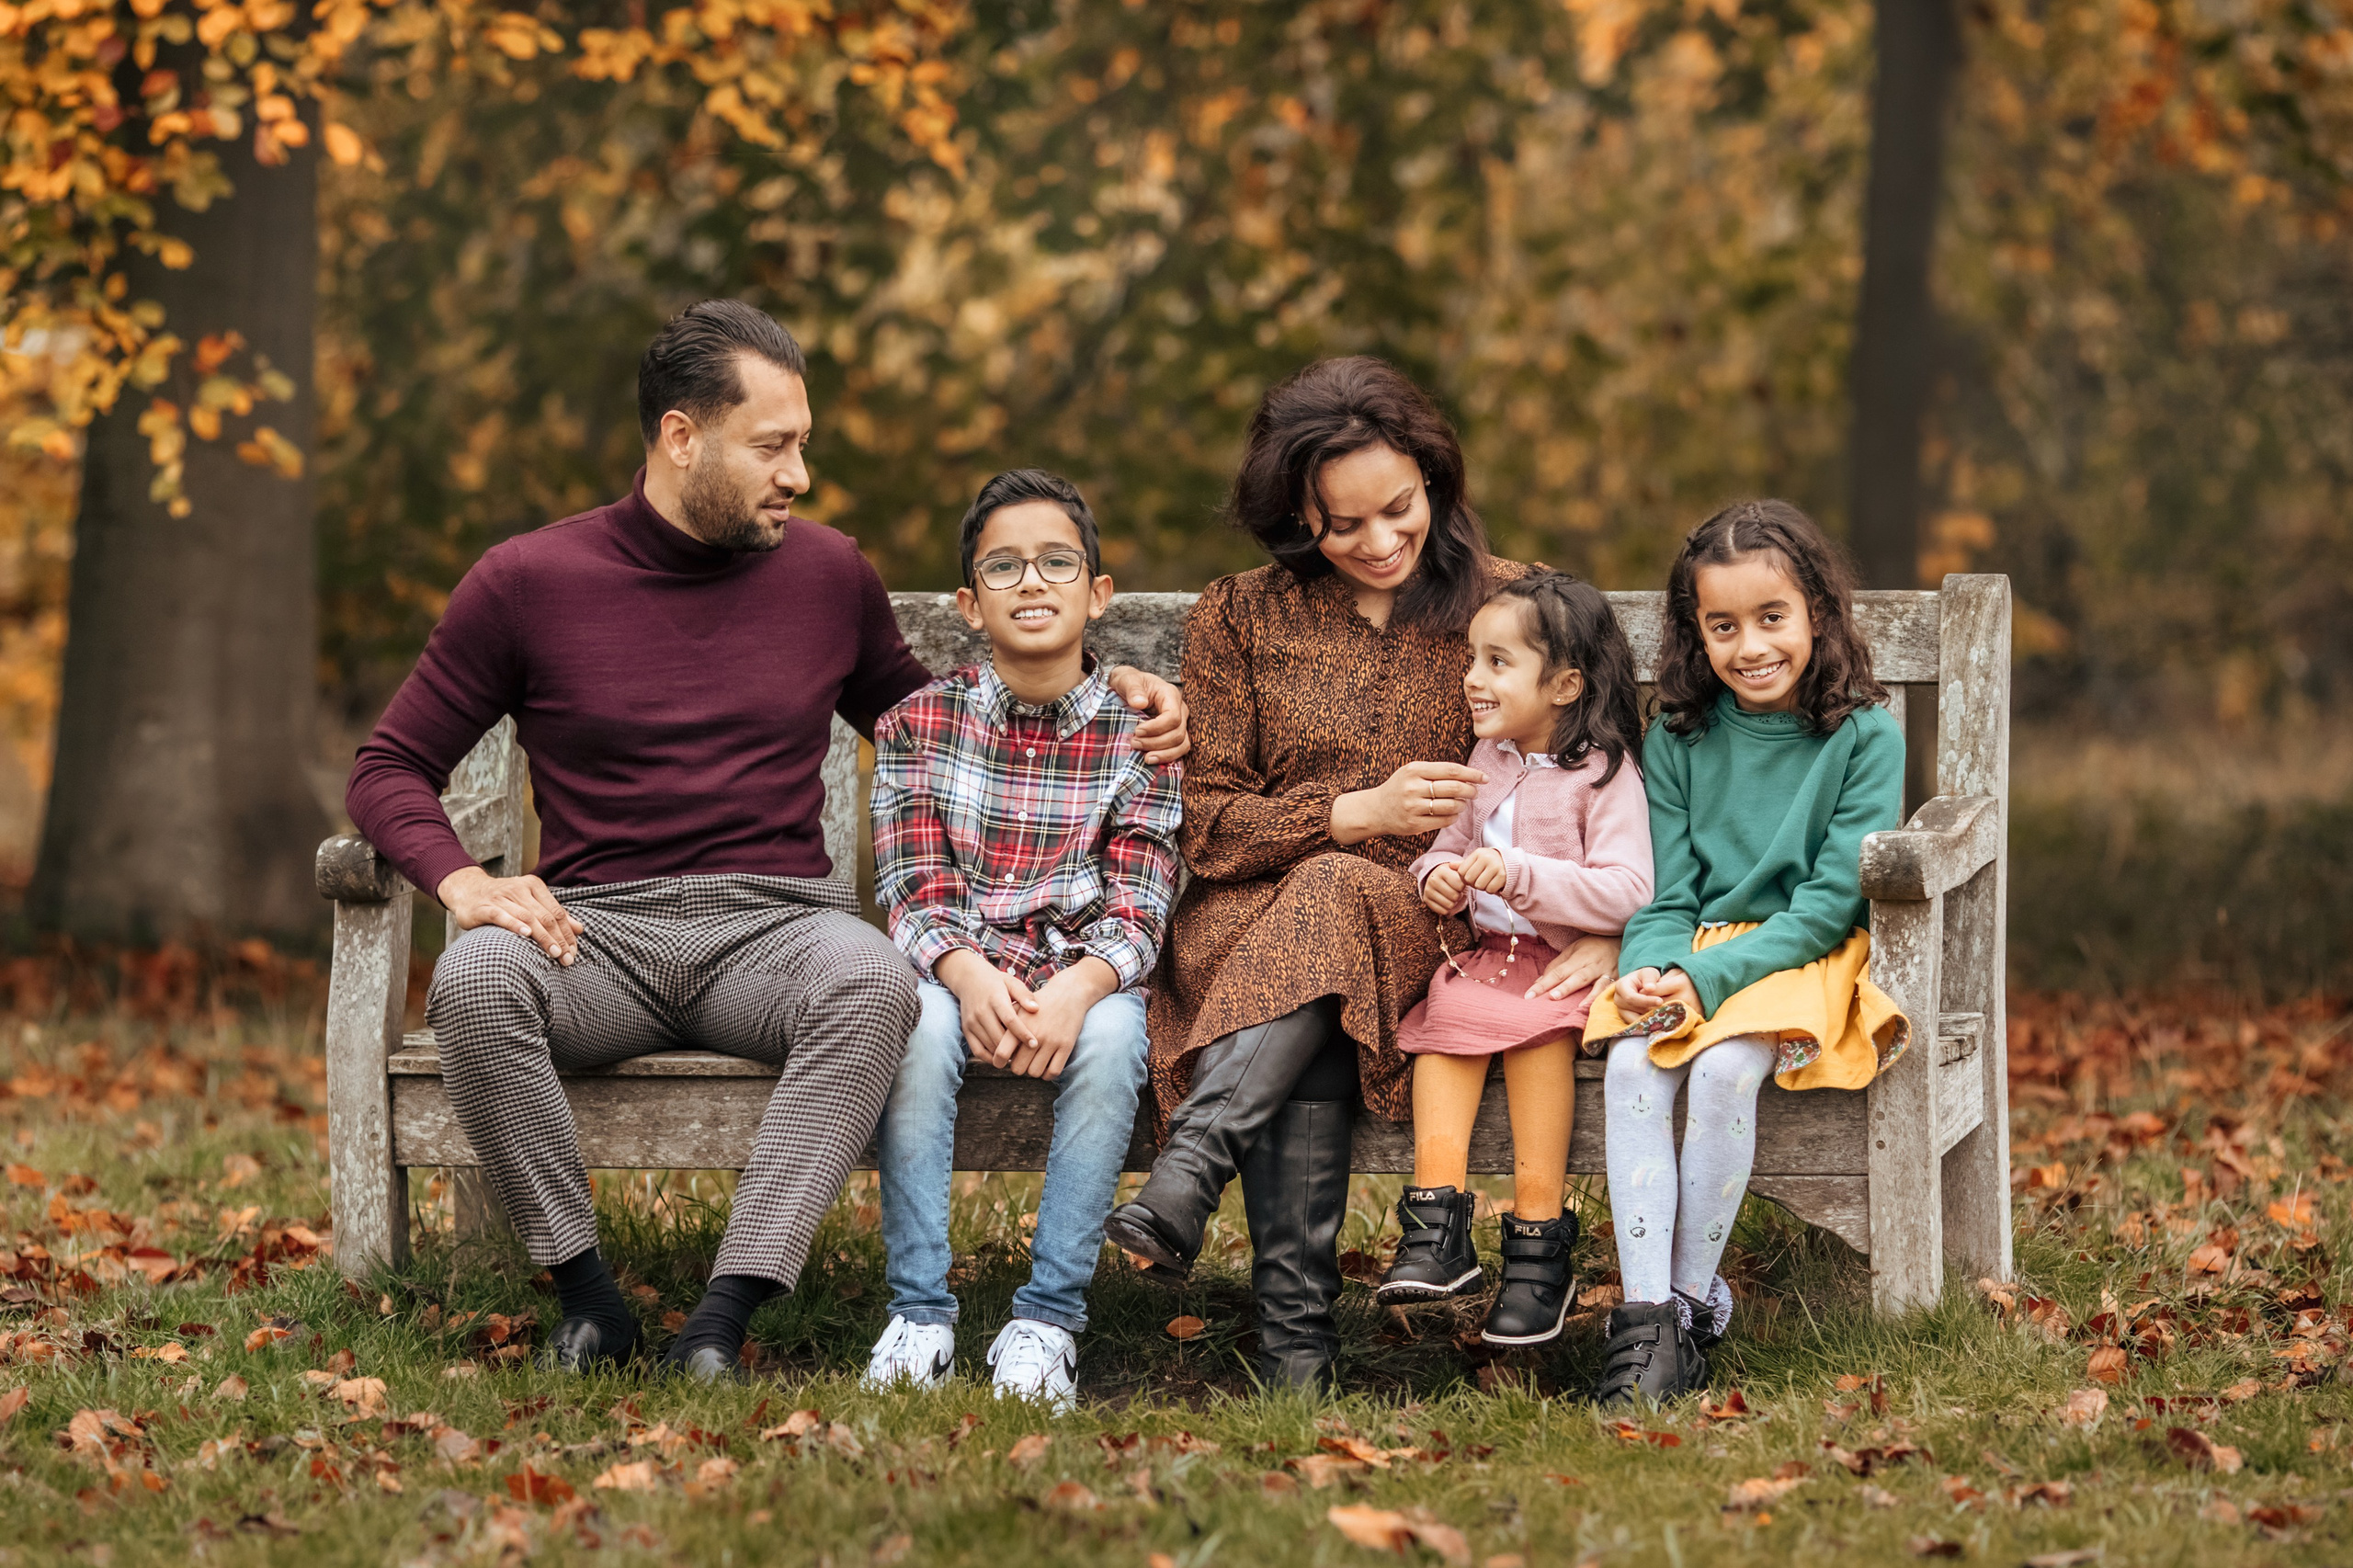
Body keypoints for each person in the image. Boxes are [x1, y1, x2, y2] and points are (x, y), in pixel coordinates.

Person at [345, 302, 1188, 1382]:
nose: (801, 473)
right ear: (681, 437)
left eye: (803, 443)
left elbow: (952, 720)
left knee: (874, 983)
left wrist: (1110, 683)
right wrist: (462, 881)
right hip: (595, 935)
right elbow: (388, 767)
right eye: (774, 446)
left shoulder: (826, 574)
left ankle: (722, 1318)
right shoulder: (527, 583)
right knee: (471, 982)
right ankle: (590, 1299)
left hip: (777, 934)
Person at [1101, 357, 1620, 1392]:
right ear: (1297, 514)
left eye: (1399, 508)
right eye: (1345, 524)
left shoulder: (1513, 610)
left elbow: (1602, 771)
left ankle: (1191, 1175)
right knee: (1318, 963)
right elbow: (1202, 820)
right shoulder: (1238, 615)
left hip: (1427, 918)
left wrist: (1606, 924)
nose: (1380, 542)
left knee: (1340, 897)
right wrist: (1351, 812)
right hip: (1245, 921)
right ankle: (1296, 1354)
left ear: (1433, 479)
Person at [860, 471, 1181, 1413]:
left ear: (1097, 592)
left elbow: (1142, 899)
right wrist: (967, 977)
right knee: (910, 1025)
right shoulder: (917, 726)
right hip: (956, 970)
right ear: (968, 604)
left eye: (1055, 562)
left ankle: (1047, 1320)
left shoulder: (1140, 736)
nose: (1031, 582)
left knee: (1123, 1035)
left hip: (1085, 977)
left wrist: (1080, 989)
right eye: (1003, 566)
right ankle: (920, 1311)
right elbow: (913, 887)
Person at [1583, 498, 1910, 1405]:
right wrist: (1650, 964)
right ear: (1696, 632)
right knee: (1631, 1064)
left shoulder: (1862, 733)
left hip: (1802, 953)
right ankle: (1644, 1322)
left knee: (1725, 1070)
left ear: (1817, 613)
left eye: (1772, 618)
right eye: (1722, 625)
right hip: (1693, 950)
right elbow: (1665, 891)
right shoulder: (1681, 733)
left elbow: (1826, 903)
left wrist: (1701, 976)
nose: (1749, 645)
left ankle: (1689, 1307)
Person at [1375, 570, 1653, 1349]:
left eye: (1498, 662)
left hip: (1564, 968)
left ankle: (1537, 1252)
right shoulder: (1487, 758)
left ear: (1564, 685)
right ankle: (1437, 1229)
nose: (1473, 678)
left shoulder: (1603, 774)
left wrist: (1528, 878)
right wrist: (1437, 879)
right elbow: (1449, 846)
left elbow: (1631, 889)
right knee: (1442, 1039)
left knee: (1538, 1049)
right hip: (1486, 960)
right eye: (1473, 659)